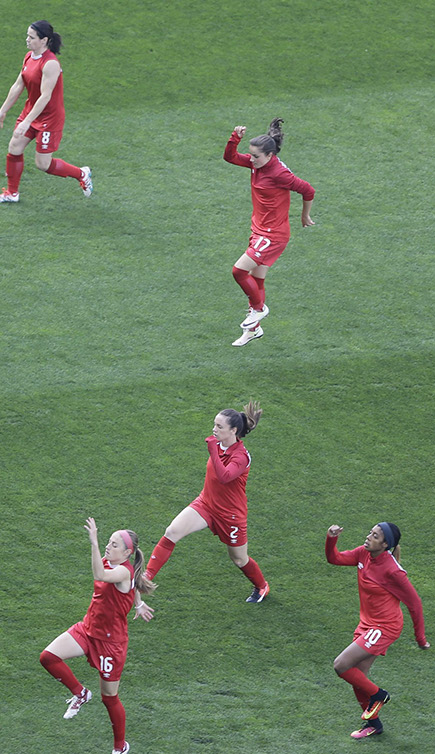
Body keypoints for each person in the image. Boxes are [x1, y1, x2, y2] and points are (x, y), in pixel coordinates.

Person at [40, 518, 155, 754]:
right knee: (48, 657)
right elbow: (130, 585)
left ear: (127, 552)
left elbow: (102, 575)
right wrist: (138, 603)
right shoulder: (114, 564)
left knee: (109, 697)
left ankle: (120, 747)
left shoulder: (122, 570)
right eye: (107, 542)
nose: (107, 546)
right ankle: (80, 693)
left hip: (110, 644)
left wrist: (93, 543)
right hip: (88, 629)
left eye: (113, 545)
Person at [145, 402, 271, 602]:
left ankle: (261, 586)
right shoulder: (219, 443)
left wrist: (212, 449)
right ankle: (145, 579)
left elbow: (225, 476)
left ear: (234, 430)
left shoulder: (242, 457)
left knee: (239, 559)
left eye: (219, 427)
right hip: (205, 504)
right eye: (214, 424)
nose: (214, 429)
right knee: (171, 532)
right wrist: (215, 447)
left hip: (230, 515)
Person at [326, 522, 429, 740]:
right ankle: (374, 725)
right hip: (367, 624)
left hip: (385, 627)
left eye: (374, 536)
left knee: (341, 665)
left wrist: (420, 638)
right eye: (370, 533)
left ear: (385, 544)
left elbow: (415, 604)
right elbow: (334, 558)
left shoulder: (393, 571)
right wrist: (331, 538)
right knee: (357, 676)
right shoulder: (363, 554)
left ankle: (379, 695)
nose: (368, 537)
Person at [222, 119, 315, 346]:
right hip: (260, 229)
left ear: (270, 156)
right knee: (257, 278)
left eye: (256, 156)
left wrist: (304, 216)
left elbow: (308, 190)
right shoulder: (258, 165)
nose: (251, 160)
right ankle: (253, 330)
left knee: (238, 271)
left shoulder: (278, 174)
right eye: (251, 155)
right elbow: (230, 157)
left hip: (272, 235)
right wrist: (235, 138)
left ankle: (258, 309)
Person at [0, 20, 92, 203]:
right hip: (31, 112)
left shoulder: (50, 64)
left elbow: (45, 96)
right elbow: (18, 85)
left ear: (44, 40)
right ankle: (12, 194)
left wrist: (27, 121)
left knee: (42, 164)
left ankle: (81, 174)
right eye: (27, 35)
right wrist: (2, 111)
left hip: (49, 119)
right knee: (14, 147)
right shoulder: (29, 57)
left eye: (31, 37)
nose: (27, 40)